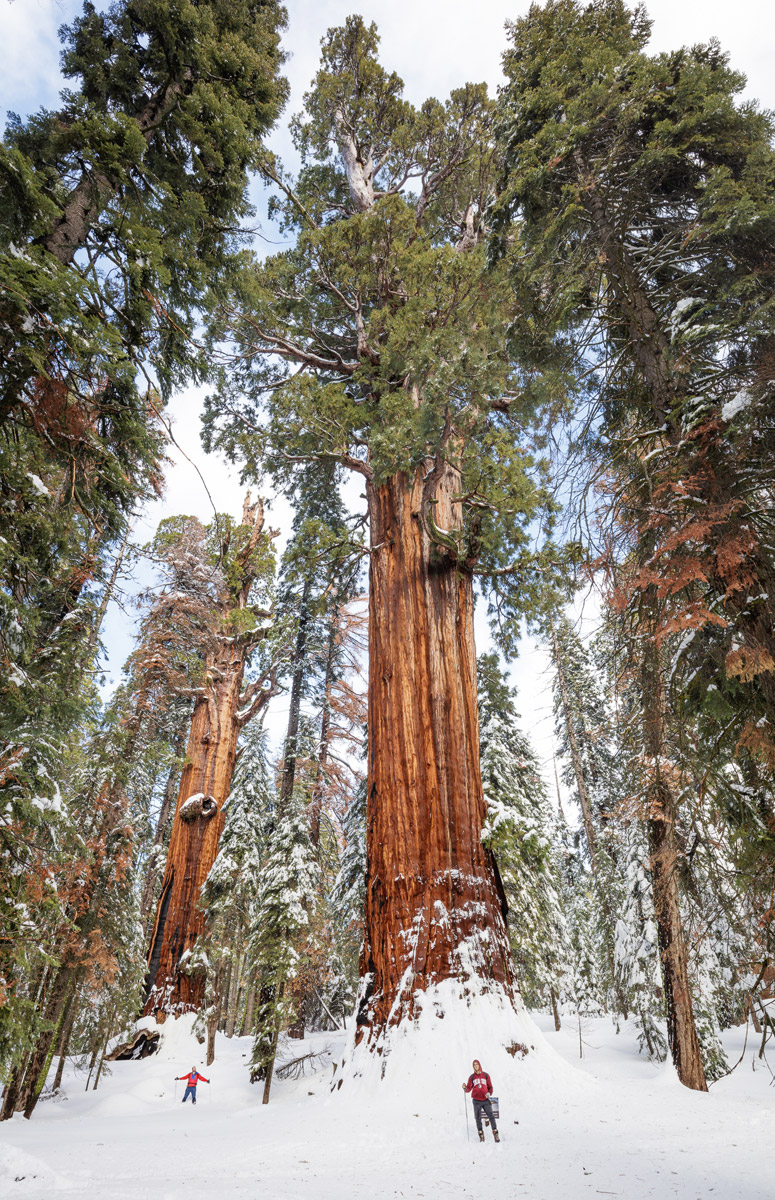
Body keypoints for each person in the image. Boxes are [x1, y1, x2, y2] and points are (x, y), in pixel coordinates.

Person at [463, 1058, 500, 1142]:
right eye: (474, 1065)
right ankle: (481, 1135)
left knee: (491, 1116)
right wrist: (465, 1088)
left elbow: (490, 1087)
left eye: (477, 1064)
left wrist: (489, 1093)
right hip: (476, 1101)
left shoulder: (486, 1075)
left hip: (485, 1100)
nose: (476, 1066)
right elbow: (468, 1089)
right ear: (473, 1067)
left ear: (479, 1065)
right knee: (478, 1118)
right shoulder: (471, 1077)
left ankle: (495, 1133)